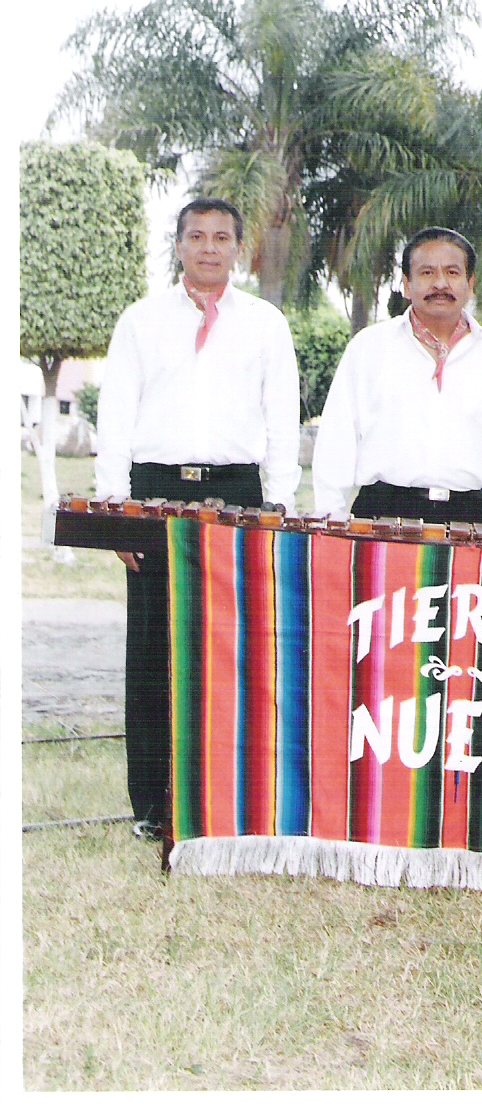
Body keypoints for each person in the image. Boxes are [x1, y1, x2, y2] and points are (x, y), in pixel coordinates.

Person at [95, 196, 301, 838]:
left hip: (237, 495)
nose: (210, 247)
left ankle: (227, 797)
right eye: (197, 236)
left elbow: (282, 422)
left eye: (222, 237)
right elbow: (116, 419)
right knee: (156, 650)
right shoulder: (140, 321)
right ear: (178, 245)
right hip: (155, 492)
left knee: (235, 648)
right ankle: (155, 808)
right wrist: (117, 514)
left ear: (239, 248)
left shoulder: (266, 324)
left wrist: (280, 503)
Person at [312, 227, 482, 529]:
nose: (440, 283)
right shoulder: (368, 348)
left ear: (470, 284)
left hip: (475, 519)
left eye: (452, 272)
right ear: (407, 284)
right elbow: (336, 441)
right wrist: (331, 519)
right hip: (382, 514)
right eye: (426, 272)